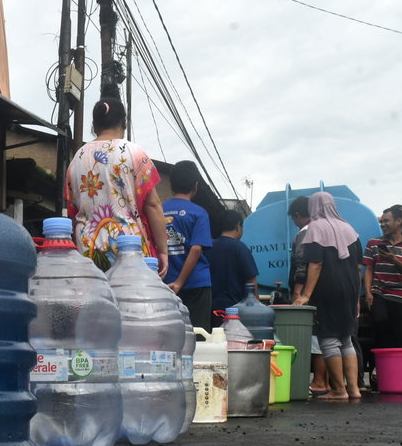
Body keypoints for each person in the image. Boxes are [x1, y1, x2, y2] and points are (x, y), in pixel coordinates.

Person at [65, 97, 168, 275]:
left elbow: (73, 209)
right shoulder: (133, 153)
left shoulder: (77, 159)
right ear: (123, 122)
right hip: (128, 246)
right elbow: (152, 205)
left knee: (98, 300)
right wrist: (163, 250)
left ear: (94, 126)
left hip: (88, 248)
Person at [293, 192, 362, 400]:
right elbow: (358, 266)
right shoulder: (349, 228)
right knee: (346, 338)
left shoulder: (316, 228)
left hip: (328, 289)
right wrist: (357, 297)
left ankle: (339, 390)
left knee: (329, 339)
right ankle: (354, 389)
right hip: (350, 288)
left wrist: (306, 294)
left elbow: (316, 263)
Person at [163, 160, 213, 331]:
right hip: (195, 284)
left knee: (169, 335)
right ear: (195, 185)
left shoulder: (158, 211)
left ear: (172, 185)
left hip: (165, 283)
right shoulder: (199, 212)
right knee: (198, 335)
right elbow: (197, 248)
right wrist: (180, 282)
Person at [362, 205, 402, 350]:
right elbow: (368, 268)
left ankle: (400, 368)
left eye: (386, 221)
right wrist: (368, 292)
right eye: (381, 222)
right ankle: (382, 366)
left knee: (400, 334)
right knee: (380, 325)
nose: (383, 225)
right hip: (378, 292)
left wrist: (393, 259)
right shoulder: (373, 243)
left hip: (401, 295)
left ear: (399, 221)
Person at [288, 195, 329, 395]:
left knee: (312, 336)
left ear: (298, 215)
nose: (294, 223)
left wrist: (299, 292)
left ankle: (318, 380)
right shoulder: (327, 230)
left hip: (308, 292)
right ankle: (324, 380)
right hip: (324, 290)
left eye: (293, 218)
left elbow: (302, 264)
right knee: (325, 335)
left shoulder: (305, 233)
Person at [207, 209, 259, 318]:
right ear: (238, 226)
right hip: (236, 312)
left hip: (211, 310)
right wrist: (257, 308)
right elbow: (251, 281)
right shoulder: (240, 247)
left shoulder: (208, 248)